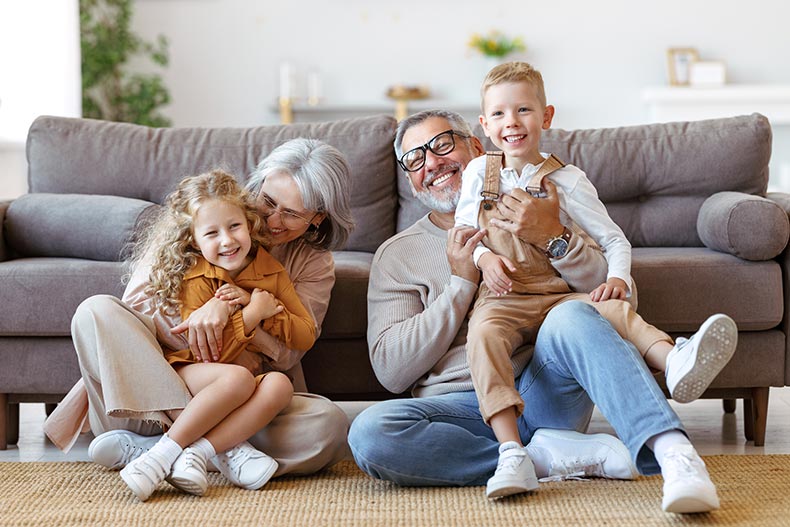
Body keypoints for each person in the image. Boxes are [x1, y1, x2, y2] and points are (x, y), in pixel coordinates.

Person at [347, 109, 723, 513]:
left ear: (477, 147)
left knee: (573, 315)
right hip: (459, 411)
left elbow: (617, 302)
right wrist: (461, 284)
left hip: (543, 389)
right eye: (416, 160)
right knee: (370, 433)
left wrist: (553, 238)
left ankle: (674, 455)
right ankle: (543, 457)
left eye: (441, 145)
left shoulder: (541, 205)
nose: (433, 163)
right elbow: (391, 370)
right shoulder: (397, 254)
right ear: (409, 178)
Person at [455, 62, 737, 498]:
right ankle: (512, 453)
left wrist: (619, 278)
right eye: (498, 114)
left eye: (524, 110)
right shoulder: (478, 174)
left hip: (555, 296)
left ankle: (674, 359)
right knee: (484, 335)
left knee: (609, 309)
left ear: (546, 117)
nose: (511, 122)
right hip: (504, 296)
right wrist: (484, 256)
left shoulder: (567, 179)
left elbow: (614, 240)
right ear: (485, 125)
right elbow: (463, 234)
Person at [44, 138, 355, 487]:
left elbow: (287, 354)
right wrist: (209, 310)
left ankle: (157, 450)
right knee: (94, 311)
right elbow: (137, 314)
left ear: (317, 219)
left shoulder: (313, 264)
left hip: (240, 399)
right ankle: (222, 450)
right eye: (268, 201)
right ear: (258, 186)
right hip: (148, 397)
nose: (271, 220)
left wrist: (239, 311)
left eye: (292, 213)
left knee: (327, 427)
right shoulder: (207, 216)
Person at [116, 169, 314, 501]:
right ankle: (160, 456)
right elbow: (208, 354)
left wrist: (258, 302)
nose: (227, 240)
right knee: (237, 377)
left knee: (281, 384)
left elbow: (305, 335)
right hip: (191, 372)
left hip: (241, 379)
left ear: (249, 224)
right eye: (212, 233)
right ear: (194, 240)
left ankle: (199, 453)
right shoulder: (196, 274)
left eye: (234, 226)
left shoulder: (271, 271)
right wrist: (251, 316)